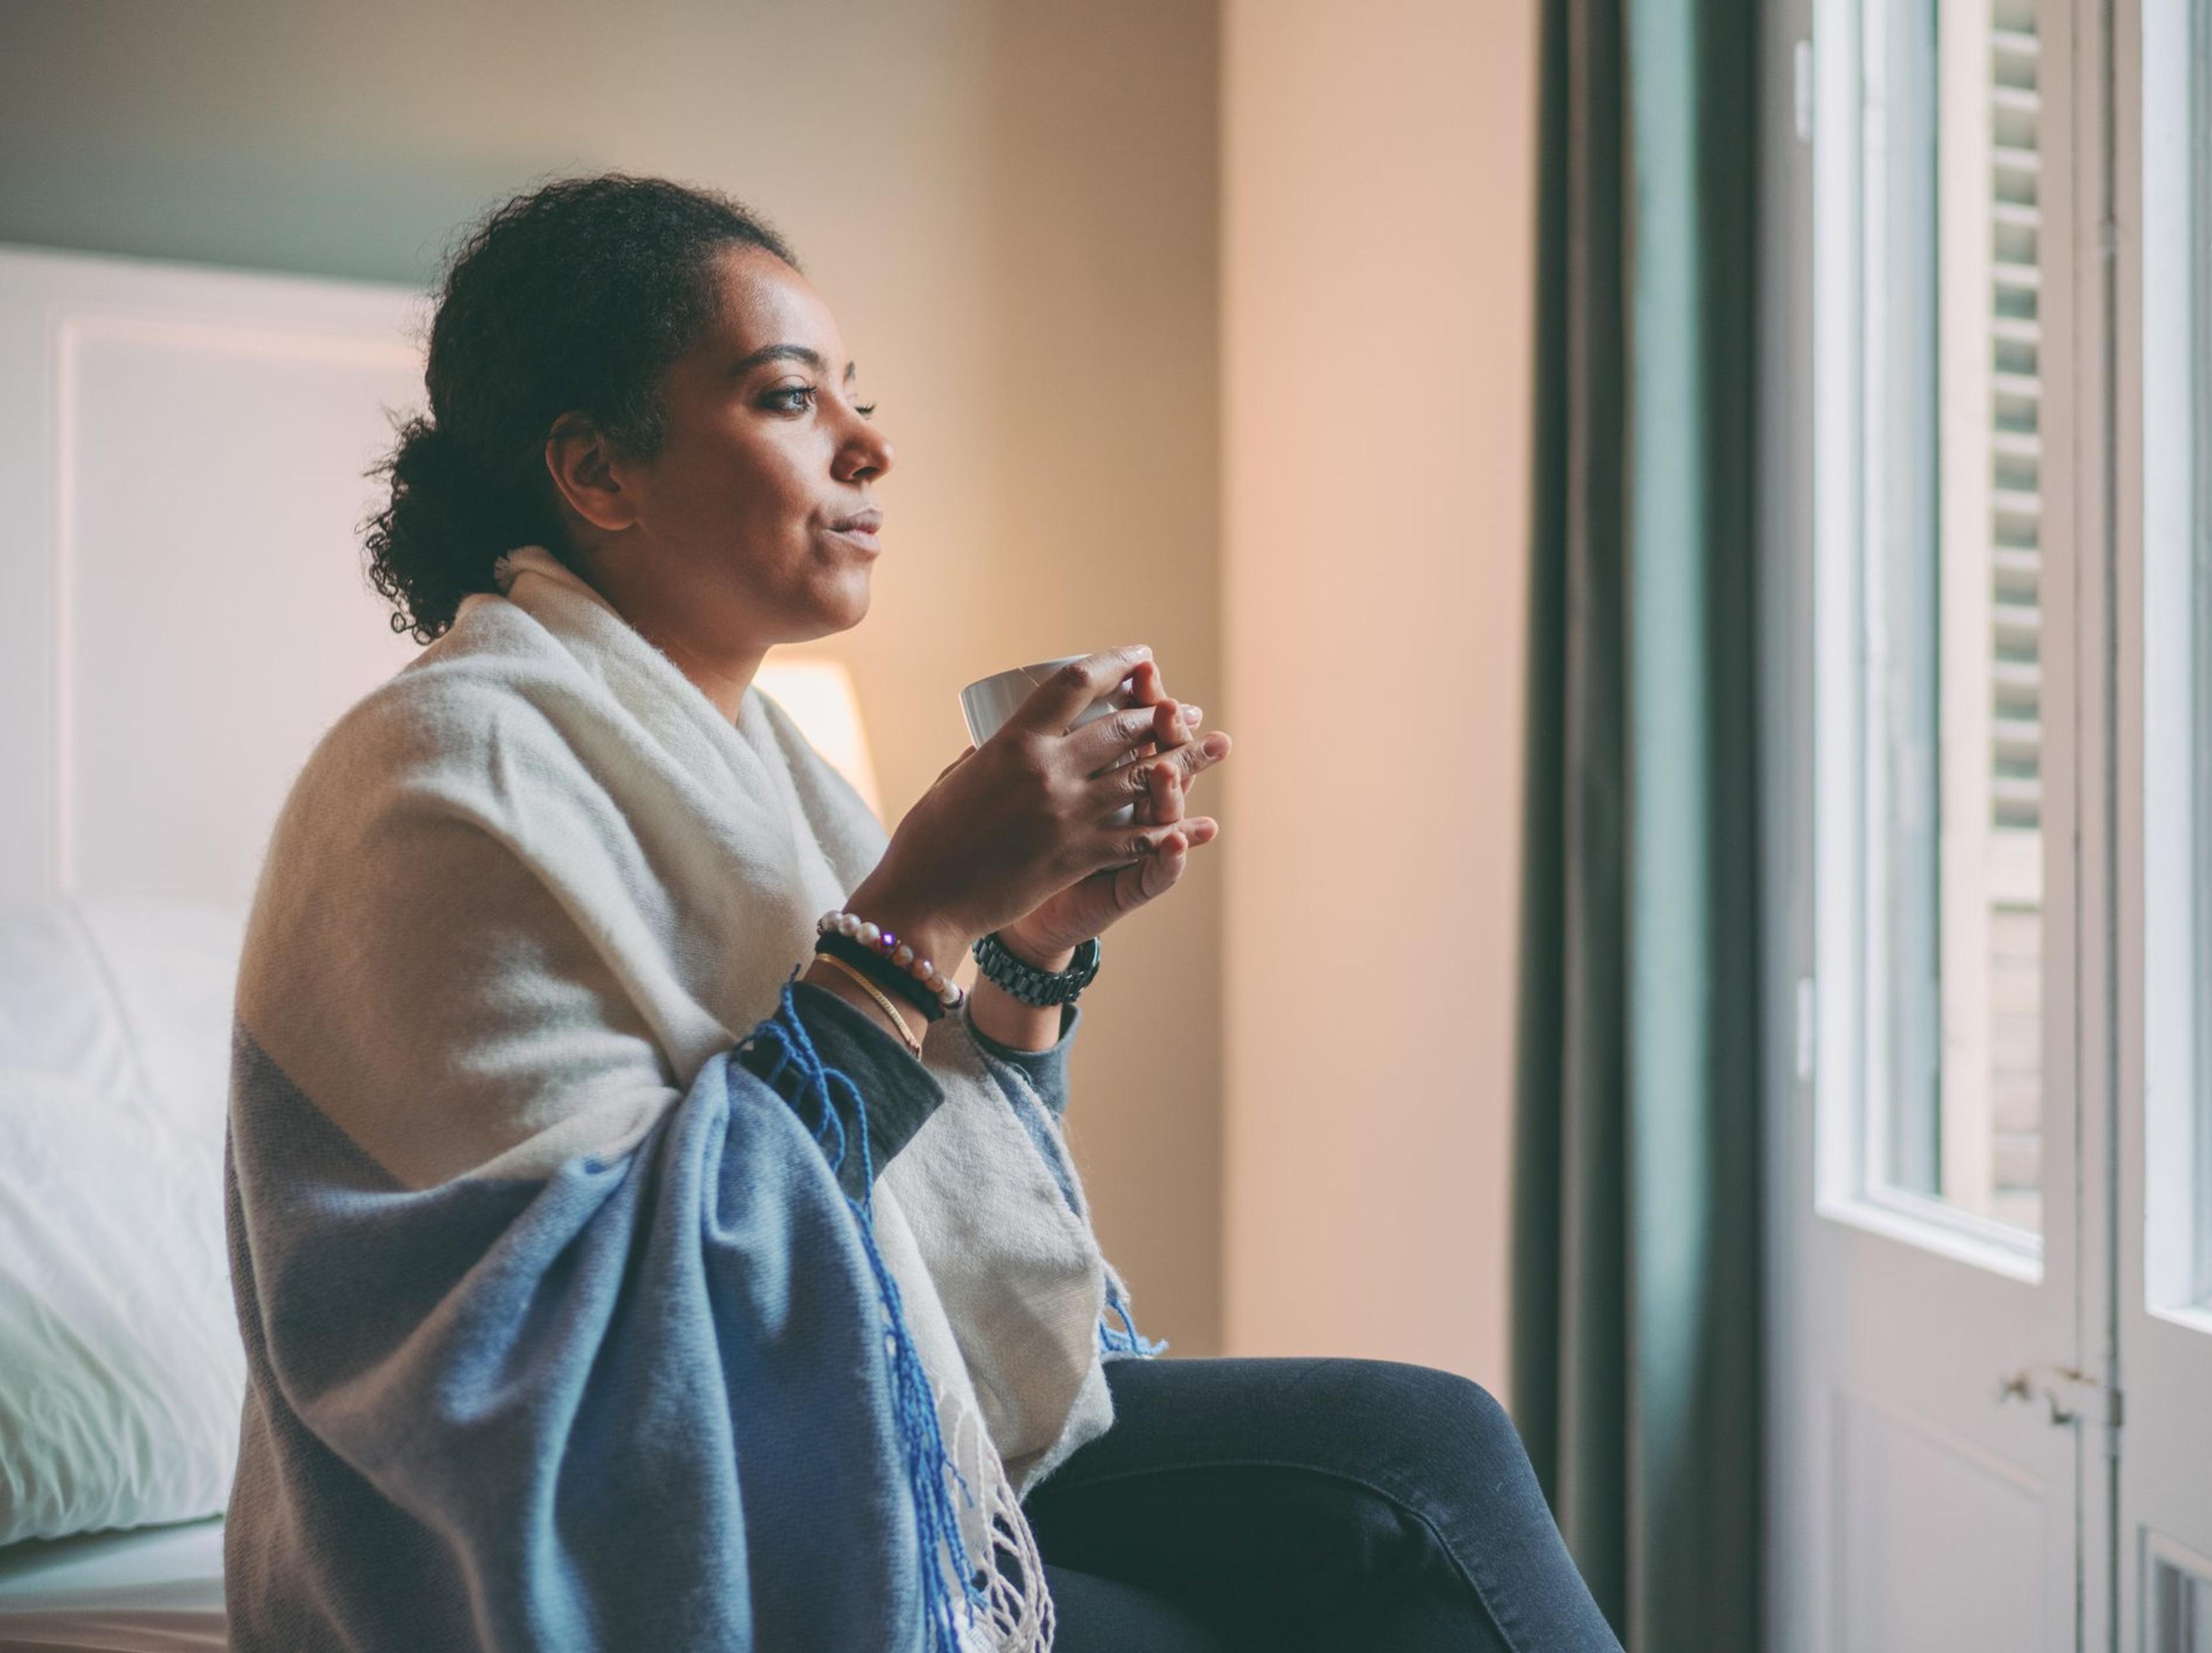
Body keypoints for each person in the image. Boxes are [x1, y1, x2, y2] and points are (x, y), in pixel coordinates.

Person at [222, 172, 1618, 1653]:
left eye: (858, 400)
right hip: (588, 1535)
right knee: (1362, 1526)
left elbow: (893, 1182)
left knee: (1417, 1452)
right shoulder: (449, 776)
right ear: (599, 471)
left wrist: (1026, 943)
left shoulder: (761, 774)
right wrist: (924, 910)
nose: (872, 445)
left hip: (815, 1438)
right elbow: (598, 1340)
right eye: (787, 398)